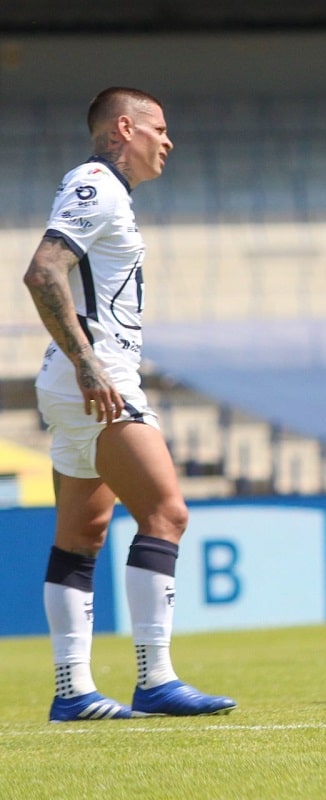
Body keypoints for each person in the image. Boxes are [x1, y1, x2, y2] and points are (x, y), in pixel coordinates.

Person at [23, 87, 237, 722]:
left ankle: (73, 691)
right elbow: (43, 271)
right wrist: (91, 364)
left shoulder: (106, 192)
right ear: (124, 127)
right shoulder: (97, 183)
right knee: (166, 512)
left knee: (81, 536)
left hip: (74, 377)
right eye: (159, 128)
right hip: (98, 374)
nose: (168, 140)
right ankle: (156, 678)